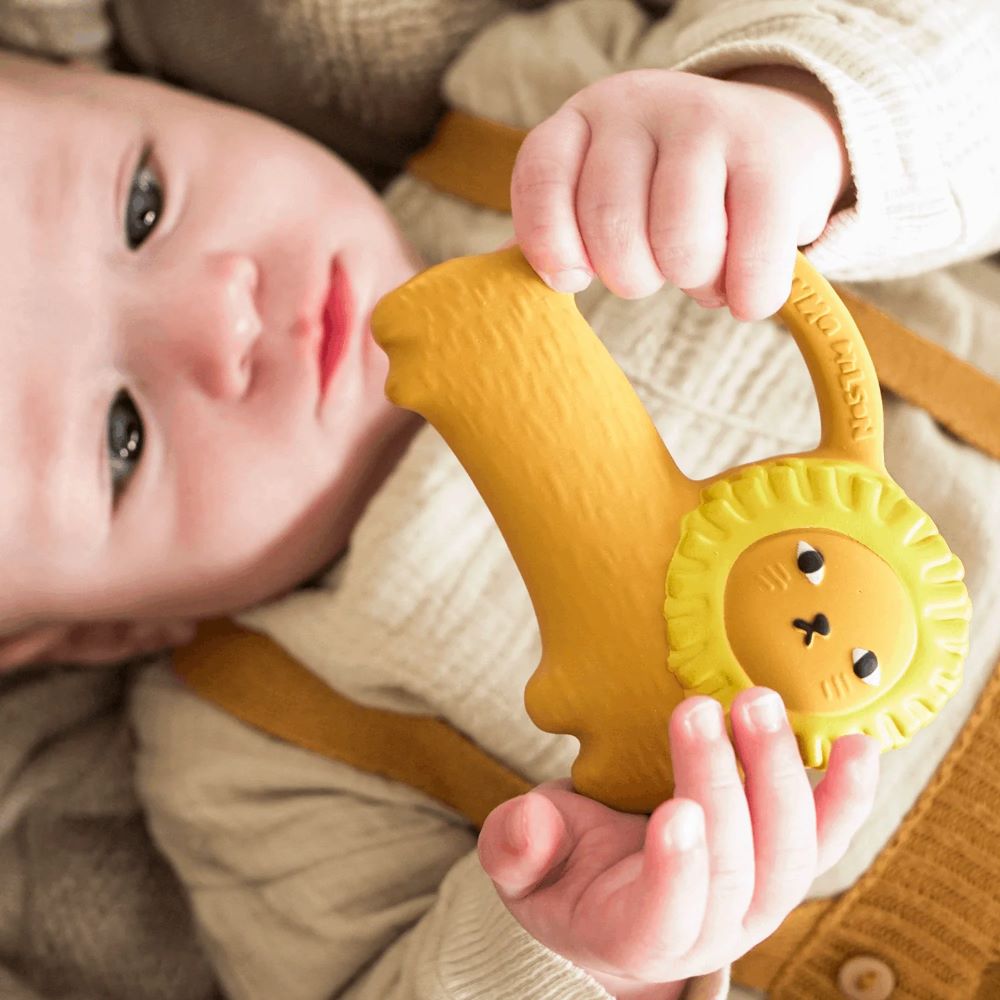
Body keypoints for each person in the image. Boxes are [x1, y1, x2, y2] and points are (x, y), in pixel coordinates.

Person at [1, 0, 998, 997]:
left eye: (143, 204)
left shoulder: (559, 120)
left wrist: (808, 119)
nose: (222, 313)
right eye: (120, 439)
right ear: (104, 630)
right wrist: (585, 952)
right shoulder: (242, 759)